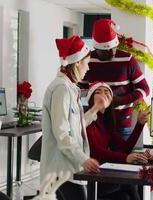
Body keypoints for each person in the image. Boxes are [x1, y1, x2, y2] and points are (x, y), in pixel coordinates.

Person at [41, 35, 105, 200]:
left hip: (68, 168)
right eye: (87, 63)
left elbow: (75, 125)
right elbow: (61, 133)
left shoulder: (69, 87)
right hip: (61, 170)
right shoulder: (61, 89)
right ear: (77, 62)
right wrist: (83, 159)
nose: (88, 68)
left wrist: (95, 109)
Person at [79, 18, 150, 140]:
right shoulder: (88, 60)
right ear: (96, 48)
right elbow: (80, 87)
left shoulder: (127, 59)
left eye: (113, 48)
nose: (112, 53)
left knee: (123, 156)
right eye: (106, 51)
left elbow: (144, 89)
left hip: (121, 122)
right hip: (96, 123)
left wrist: (119, 100)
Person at [86, 82, 149, 200]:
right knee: (129, 190)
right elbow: (95, 151)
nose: (103, 95)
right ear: (91, 99)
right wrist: (125, 158)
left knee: (131, 189)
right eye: (98, 92)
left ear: (111, 99)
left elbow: (125, 148)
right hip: (90, 176)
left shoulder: (107, 121)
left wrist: (139, 124)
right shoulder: (87, 120)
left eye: (106, 92)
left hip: (102, 172)